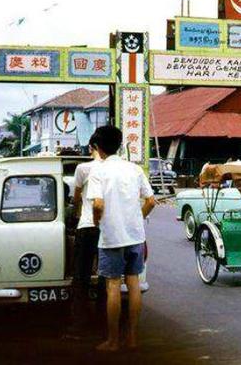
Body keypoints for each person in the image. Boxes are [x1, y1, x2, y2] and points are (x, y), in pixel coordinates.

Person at [87, 126, 156, 352]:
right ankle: (133, 338)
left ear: (98, 148)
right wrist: (137, 217)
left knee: (113, 286)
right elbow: (151, 201)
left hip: (112, 237)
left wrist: (98, 221)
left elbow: (97, 204)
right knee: (133, 283)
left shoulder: (99, 170)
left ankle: (113, 341)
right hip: (135, 235)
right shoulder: (134, 169)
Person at [65, 135, 102, 337]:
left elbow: (76, 199)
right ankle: (103, 322)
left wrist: (75, 212)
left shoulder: (83, 169)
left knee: (81, 278)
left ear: (92, 148)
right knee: (106, 278)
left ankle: (78, 325)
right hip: (108, 229)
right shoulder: (118, 169)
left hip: (87, 226)